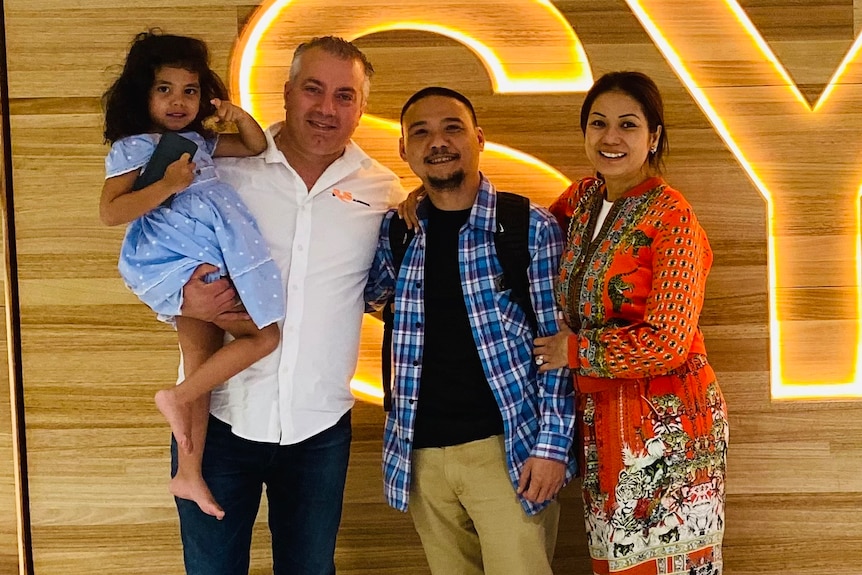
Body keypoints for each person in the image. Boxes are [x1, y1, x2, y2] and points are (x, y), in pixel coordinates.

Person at [174, 36, 404, 575]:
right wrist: (182, 295)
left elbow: (397, 289)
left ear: (361, 108)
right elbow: (159, 254)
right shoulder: (222, 170)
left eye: (344, 95)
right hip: (220, 420)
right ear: (286, 93)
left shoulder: (382, 191)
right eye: (313, 89)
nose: (326, 109)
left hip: (319, 431)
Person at [364, 86, 577, 575]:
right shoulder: (399, 232)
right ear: (403, 150)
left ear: (479, 139)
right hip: (420, 455)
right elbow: (366, 295)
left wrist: (551, 449)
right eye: (421, 132)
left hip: (506, 452)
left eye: (452, 128)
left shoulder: (528, 227)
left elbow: (557, 350)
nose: (437, 141)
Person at [533, 71, 729, 575]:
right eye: (598, 123)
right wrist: (429, 201)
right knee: (615, 563)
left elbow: (669, 340)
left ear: (653, 136)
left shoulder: (672, 218)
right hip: (602, 419)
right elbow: (523, 238)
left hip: (667, 422)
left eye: (628, 124)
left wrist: (573, 352)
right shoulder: (579, 201)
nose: (611, 138)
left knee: (664, 565)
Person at [100, 31, 284, 521]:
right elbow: (111, 213)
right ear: (143, 93)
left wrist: (237, 115)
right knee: (263, 337)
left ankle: (188, 471)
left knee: (201, 366)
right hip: (185, 264)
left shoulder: (198, 142)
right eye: (165, 89)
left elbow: (254, 146)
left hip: (205, 256)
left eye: (190, 90)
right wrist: (166, 184)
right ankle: (176, 398)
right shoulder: (133, 147)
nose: (179, 101)